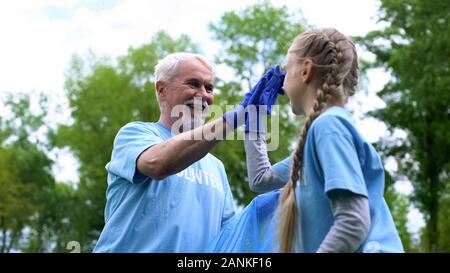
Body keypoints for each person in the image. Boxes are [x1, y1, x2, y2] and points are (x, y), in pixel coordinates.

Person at [209, 28, 404, 253]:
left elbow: (354, 222)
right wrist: (255, 120)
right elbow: (260, 180)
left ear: (306, 71)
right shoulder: (320, 136)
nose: (281, 84)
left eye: (286, 68)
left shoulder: (328, 127)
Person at [93, 52, 285, 252]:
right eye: (193, 84)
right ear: (161, 90)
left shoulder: (216, 167)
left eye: (209, 87)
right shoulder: (134, 134)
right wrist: (234, 118)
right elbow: (159, 164)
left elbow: (228, 240)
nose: (203, 94)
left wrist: (273, 207)